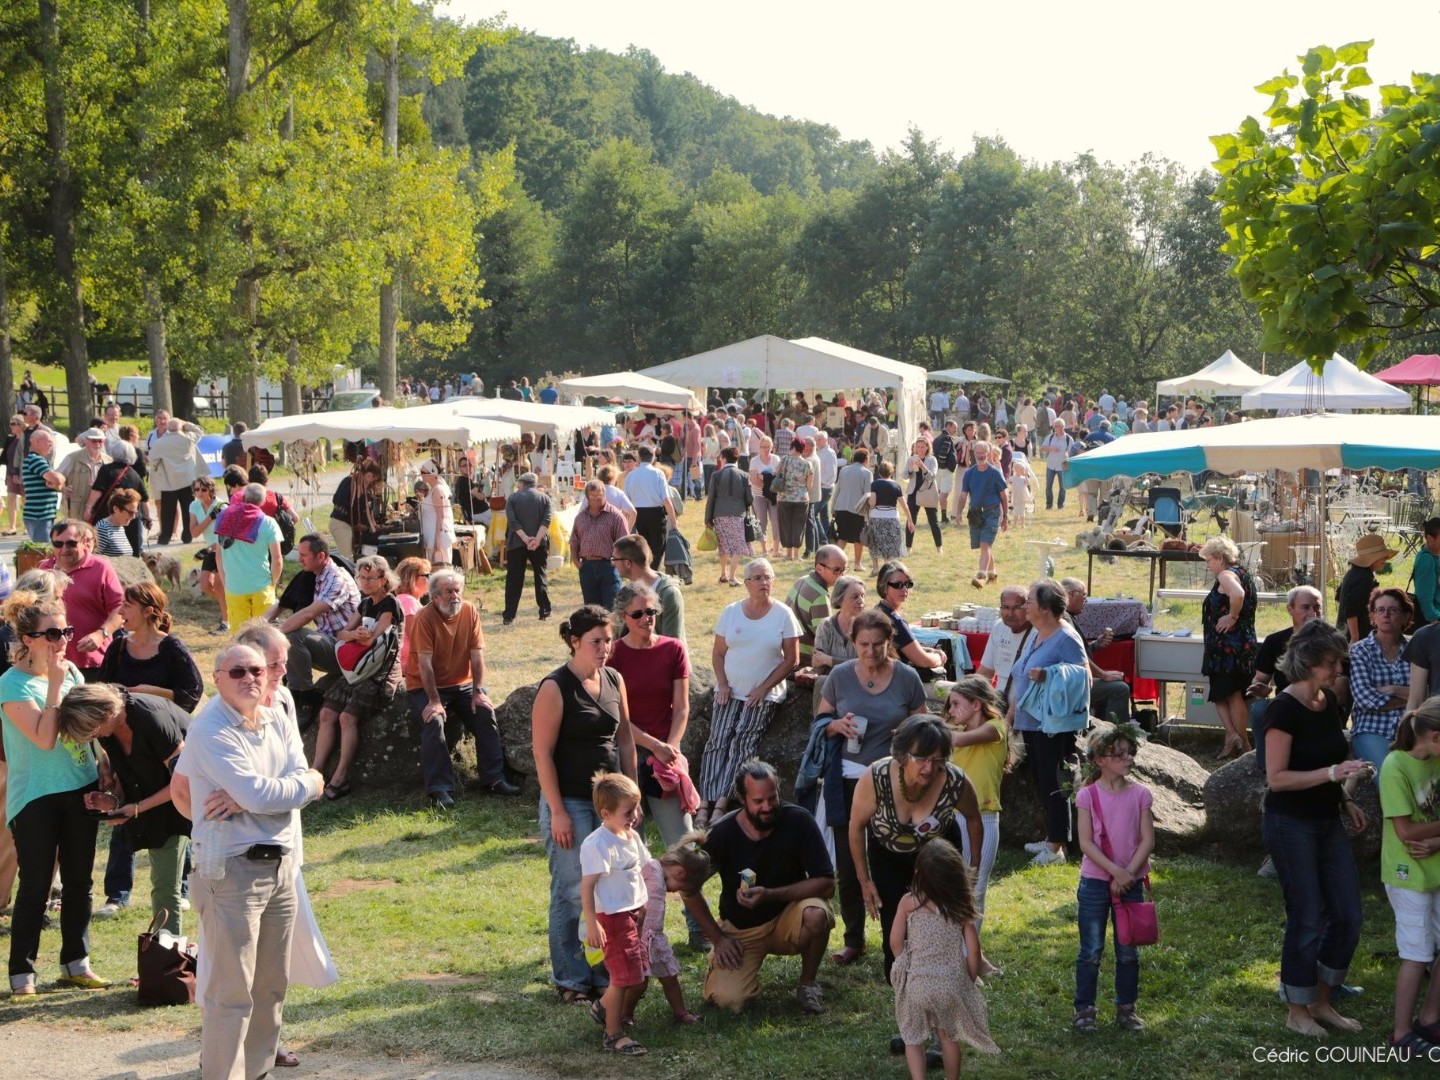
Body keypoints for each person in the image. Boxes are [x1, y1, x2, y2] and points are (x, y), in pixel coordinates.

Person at [172, 642, 324, 1079]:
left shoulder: (276, 715)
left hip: (280, 868)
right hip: (230, 873)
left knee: (271, 987)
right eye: (236, 671)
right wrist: (296, 786)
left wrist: (289, 786)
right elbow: (268, 790)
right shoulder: (211, 728)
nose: (249, 678)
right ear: (216, 678)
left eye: (257, 669)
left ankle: (258, 1072)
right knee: (230, 994)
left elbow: (295, 779)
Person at [1, 590, 110, 995]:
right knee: (36, 884)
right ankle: (22, 974)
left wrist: (104, 767)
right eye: (52, 634)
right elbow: (45, 740)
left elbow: (87, 732)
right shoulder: (11, 686)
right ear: (28, 639)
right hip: (35, 798)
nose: (61, 640)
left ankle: (75, 963)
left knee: (80, 881)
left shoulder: (72, 674)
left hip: (79, 788)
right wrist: (54, 687)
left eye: (65, 630)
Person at [1261, 619, 1367, 1037]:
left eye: (1338, 663)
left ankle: (1322, 1001)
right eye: (1329, 663)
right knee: (1306, 917)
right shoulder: (1282, 709)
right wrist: (1333, 773)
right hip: (1290, 824)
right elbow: (1278, 778)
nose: (1336, 671)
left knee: (1348, 915)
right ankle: (1297, 1010)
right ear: (1306, 662)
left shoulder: (1329, 701)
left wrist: (1346, 797)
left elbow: (1329, 766)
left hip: (1326, 820)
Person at [531, 605, 640, 1004]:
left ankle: (602, 973)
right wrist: (557, 811)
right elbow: (541, 753)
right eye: (596, 641)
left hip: (611, 805)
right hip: (572, 800)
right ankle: (571, 978)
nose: (604, 648)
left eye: (608, 639)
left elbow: (625, 739)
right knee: (573, 889)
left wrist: (633, 796)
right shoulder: (555, 687)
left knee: (608, 889)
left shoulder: (615, 678)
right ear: (574, 641)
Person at [817, 611, 930, 965]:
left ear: (889, 642)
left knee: (892, 857)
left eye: (877, 645)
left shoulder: (907, 677)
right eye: (863, 645)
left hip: (893, 779)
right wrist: (837, 726)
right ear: (853, 643)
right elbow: (820, 722)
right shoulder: (839, 676)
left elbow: (925, 723)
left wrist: (908, 733)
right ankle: (854, 938)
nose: (870, 652)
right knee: (850, 862)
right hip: (848, 777)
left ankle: (898, 938)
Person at [680, 760, 835, 1014]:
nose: (767, 807)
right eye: (758, 801)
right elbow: (688, 888)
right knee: (728, 1001)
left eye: (772, 798)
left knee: (816, 913)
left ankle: (808, 984)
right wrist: (718, 939)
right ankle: (730, 973)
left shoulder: (799, 820)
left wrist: (771, 895)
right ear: (742, 799)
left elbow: (827, 884)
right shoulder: (721, 833)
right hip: (741, 930)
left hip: (788, 917)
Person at [605, 582, 702, 946]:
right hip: (627, 756)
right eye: (638, 614)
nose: (647, 619)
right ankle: (634, 930)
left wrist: (671, 749)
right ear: (622, 617)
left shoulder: (673, 648)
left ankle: (697, 928)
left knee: (684, 847)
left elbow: (682, 707)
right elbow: (613, 715)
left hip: (664, 762)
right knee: (632, 849)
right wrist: (653, 745)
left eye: (651, 612)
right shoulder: (612, 655)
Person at [59, 684, 192, 934]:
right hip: (158, 797)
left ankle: (170, 960)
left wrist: (137, 809)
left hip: (190, 799)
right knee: (163, 882)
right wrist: (114, 801)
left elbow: (184, 780)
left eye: (91, 731)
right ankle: (167, 955)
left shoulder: (152, 718)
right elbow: (134, 771)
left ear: (107, 712)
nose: (91, 737)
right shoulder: (109, 727)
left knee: (166, 884)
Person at [403, 568, 518, 809]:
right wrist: (434, 701)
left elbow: (477, 656)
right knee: (434, 721)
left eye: (457, 590)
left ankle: (494, 779)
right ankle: (440, 789)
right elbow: (424, 665)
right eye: (448, 592)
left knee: (485, 712)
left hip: (462, 684)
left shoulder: (469, 610)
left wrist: (478, 691)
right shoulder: (424, 617)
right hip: (426, 685)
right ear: (435, 597)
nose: (455, 596)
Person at [698, 559, 800, 828]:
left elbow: (792, 660)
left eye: (768, 577)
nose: (764, 582)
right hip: (730, 689)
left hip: (764, 693)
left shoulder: (783, 614)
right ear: (746, 583)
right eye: (757, 578)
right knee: (717, 740)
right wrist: (721, 684)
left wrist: (764, 688)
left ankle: (722, 802)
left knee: (742, 742)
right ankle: (703, 803)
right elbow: (718, 653)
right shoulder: (731, 612)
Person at [890, 839, 1000, 1080]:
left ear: (918, 872)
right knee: (949, 1038)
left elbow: (895, 943)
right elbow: (973, 950)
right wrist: (967, 979)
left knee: (912, 1039)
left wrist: (905, 963)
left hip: (917, 984)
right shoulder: (959, 906)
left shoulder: (909, 903)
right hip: (950, 984)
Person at [1072, 724, 1154, 1033]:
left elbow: (1147, 840)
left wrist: (1128, 874)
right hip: (1095, 882)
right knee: (1090, 949)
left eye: (1129, 751)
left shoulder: (1141, 794)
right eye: (1117, 752)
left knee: (1128, 950)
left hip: (1130, 884)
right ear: (1099, 760)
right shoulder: (1087, 796)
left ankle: (1126, 1009)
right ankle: (1084, 1009)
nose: (1126, 756)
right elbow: (1086, 843)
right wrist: (1117, 872)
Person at [1010, 578, 1090, 866]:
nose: (1024, 605)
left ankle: (1057, 847)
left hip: (1054, 725)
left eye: (1029, 601)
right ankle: (1052, 838)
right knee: (1043, 781)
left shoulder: (1066, 637)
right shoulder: (1038, 633)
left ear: (1044, 608)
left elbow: (1083, 676)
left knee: (1055, 782)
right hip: (1033, 722)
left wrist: (1050, 675)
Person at [312, 555, 405, 800]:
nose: (364, 582)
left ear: (383, 579)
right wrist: (354, 634)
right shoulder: (364, 604)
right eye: (361, 578)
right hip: (358, 668)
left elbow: (375, 638)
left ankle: (341, 777)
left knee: (346, 717)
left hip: (381, 671)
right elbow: (341, 633)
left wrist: (359, 635)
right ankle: (315, 772)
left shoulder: (390, 604)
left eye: (370, 578)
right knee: (326, 713)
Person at [1378, 699, 1440, 1054]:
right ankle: (1401, 1033)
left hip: (1435, 865)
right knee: (1417, 953)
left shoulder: (1436, 756)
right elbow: (1406, 832)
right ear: (1434, 737)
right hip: (1407, 875)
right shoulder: (1394, 767)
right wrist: (1429, 838)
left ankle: (1429, 1018)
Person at [579, 772, 652, 1056]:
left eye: (636, 808)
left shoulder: (630, 835)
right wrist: (593, 923)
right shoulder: (597, 845)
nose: (635, 815)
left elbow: (639, 871)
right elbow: (587, 888)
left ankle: (602, 1008)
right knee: (622, 978)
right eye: (628, 811)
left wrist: (642, 904)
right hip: (610, 919)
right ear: (606, 813)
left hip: (630, 915)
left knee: (633, 975)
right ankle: (613, 1034)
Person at [944, 676, 1007, 974]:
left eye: (957, 703)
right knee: (952, 885)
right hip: (950, 817)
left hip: (983, 817)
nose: (951, 709)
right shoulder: (952, 730)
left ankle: (968, 957)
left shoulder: (996, 728)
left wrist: (928, 731)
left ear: (976, 704)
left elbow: (958, 739)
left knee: (975, 887)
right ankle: (962, 955)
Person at [275, 533, 361, 722]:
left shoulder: (336, 579)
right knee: (286, 636)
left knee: (292, 636)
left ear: (321, 556)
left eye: (304, 555)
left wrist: (274, 634)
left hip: (346, 649)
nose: (299, 559)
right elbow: (285, 602)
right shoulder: (316, 575)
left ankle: (306, 697)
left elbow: (308, 614)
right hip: (332, 643)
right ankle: (292, 693)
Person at [1246, 586, 1325, 775]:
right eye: (1305, 607)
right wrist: (1260, 689)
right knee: (1259, 709)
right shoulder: (1276, 641)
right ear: (1290, 609)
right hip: (1286, 703)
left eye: (1317, 607)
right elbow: (1260, 679)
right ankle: (1268, 770)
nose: (1312, 613)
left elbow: (1340, 680)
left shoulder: (1330, 640)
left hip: (1321, 701)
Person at [39, 520, 123, 680]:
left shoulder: (101, 567)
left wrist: (101, 634)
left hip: (91, 662)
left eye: (71, 543)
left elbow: (119, 607)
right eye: (58, 544)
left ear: (84, 542)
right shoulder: (44, 569)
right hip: (52, 660)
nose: (64, 549)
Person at [638, 836, 708, 1023]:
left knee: (670, 976)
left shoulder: (659, 875)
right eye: (680, 888)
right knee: (638, 983)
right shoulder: (652, 869)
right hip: (640, 937)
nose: (674, 892)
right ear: (679, 873)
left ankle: (680, 1012)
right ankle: (624, 1014)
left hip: (655, 939)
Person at [1200, 536, 1258, 759]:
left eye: (1209, 560)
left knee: (1232, 694)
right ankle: (1232, 737)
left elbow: (1238, 594)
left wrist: (1232, 616)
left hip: (1228, 646)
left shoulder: (1226, 574)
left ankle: (1243, 746)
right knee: (1223, 693)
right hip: (1236, 644)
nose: (1208, 564)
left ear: (1219, 558)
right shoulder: (1243, 573)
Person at [1348, 587, 1413, 775]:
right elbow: (1365, 698)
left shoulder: (1416, 647)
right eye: (1380, 610)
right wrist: (1412, 695)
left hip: (1411, 727)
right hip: (1372, 727)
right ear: (1373, 616)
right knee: (1390, 776)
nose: (1386, 615)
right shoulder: (1360, 650)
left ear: (1405, 616)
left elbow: (1430, 692)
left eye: (1393, 610)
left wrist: (1391, 689)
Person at [1060, 578, 1132, 724]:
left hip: (1074, 680)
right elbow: (1079, 659)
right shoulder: (1064, 619)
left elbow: (1077, 651)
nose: (1086, 601)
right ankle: (1117, 736)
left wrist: (1095, 645)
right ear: (1070, 594)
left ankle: (1099, 728)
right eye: (1084, 596)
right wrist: (1103, 674)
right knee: (1120, 688)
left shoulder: (1067, 617)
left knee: (1113, 684)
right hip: (1069, 684)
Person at [215, 482, 284, 624]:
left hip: (234, 586)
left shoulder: (225, 517)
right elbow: (277, 559)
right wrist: (273, 583)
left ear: (244, 497)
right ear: (263, 501)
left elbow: (219, 555)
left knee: (239, 635)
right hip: (261, 585)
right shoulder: (268, 522)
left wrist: (225, 581)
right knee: (264, 634)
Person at [874, 560, 947, 676]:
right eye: (898, 585)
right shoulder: (894, 621)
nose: (904, 589)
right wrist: (939, 658)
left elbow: (903, 647)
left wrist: (929, 650)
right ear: (884, 586)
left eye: (907, 584)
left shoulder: (878, 609)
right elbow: (922, 661)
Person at [611, 534, 686, 643]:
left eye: (614, 559)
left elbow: (672, 645)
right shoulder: (628, 591)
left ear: (627, 563)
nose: (612, 564)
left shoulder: (669, 594)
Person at [954, 441, 1008, 589]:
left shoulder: (995, 473)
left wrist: (1005, 517)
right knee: (985, 546)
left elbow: (1004, 496)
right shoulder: (969, 473)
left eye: (982, 453)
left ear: (988, 453)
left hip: (992, 512)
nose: (979, 456)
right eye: (977, 453)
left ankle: (981, 576)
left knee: (985, 544)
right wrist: (958, 512)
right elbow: (963, 495)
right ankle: (992, 574)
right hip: (976, 514)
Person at [502, 471, 552, 625]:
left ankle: (509, 615)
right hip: (539, 542)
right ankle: (544, 610)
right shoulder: (545, 498)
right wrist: (536, 539)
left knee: (514, 579)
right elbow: (547, 519)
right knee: (540, 575)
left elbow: (512, 520)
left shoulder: (513, 498)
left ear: (522, 484)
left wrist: (524, 538)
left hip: (517, 543)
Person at [785, 545, 848, 666]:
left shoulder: (801, 580)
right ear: (819, 568)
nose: (842, 575)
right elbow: (827, 642)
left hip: (788, 651)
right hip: (806, 660)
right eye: (837, 570)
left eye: (844, 569)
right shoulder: (820, 596)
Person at [570, 479, 628, 610]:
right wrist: (576, 562)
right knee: (591, 610)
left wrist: (616, 562)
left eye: (600, 494)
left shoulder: (615, 516)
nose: (597, 497)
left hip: (608, 566)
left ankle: (613, 631)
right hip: (587, 567)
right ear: (587, 497)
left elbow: (624, 542)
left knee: (612, 608)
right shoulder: (580, 518)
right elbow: (574, 541)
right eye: (593, 495)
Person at [150, 418, 205, 545]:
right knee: (188, 510)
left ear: (168, 429)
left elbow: (152, 459)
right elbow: (200, 431)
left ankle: (165, 537)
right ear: (180, 428)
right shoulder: (189, 438)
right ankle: (187, 535)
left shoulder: (161, 442)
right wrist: (187, 423)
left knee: (167, 512)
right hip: (187, 480)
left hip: (168, 482)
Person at [704, 444, 753, 587]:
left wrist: (708, 518)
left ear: (723, 458)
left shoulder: (716, 475)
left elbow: (710, 498)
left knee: (723, 546)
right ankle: (732, 577)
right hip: (738, 514)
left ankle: (723, 574)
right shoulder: (744, 475)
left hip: (719, 515)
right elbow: (750, 499)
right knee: (738, 547)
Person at [623, 446, 676, 571]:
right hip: (655, 513)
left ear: (639, 458)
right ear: (653, 458)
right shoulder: (658, 474)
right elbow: (666, 500)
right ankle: (652, 570)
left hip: (638, 513)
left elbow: (626, 501)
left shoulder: (631, 476)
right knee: (658, 546)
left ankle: (646, 569)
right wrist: (674, 520)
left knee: (643, 544)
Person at [1338, 533, 1397, 644]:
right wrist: (1355, 638)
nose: (1385, 559)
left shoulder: (1355, 572)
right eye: (1381, 556)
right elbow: (1350, 609)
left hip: (1347, 635)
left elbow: (1339, 597)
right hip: (1358, 639)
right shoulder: (1363, 577)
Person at [188, 475, 229, 633]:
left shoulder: (222, 506)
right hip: (210, 550)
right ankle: (228, 605)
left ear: (211, 490)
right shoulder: (194, 506)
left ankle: (226, 622)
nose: (199, 492)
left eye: (203, 489)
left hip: (222, 549)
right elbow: (194, 532)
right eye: (196, 489)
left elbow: (226, 536)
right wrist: (210, 517)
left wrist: (211, 548)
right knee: (205, 585)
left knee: (219, 584)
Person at [812, 575, 866, 674]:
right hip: (831, 682)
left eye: (863, 596)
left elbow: (865, 664)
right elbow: (818, 662)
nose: (861, 601)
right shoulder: (826, 626)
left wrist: (829, 660)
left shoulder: (867, 627)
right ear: (840, 599)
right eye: (855, 597)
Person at [55, 427, 111, 523]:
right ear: (86, 441)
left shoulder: (109, 461)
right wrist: (63, 489)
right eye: (94, 441)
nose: (97, 444)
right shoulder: (73, 458)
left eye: (100, 441)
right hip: (76, 508)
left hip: (100, 507)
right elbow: (56, 477)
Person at [773, 435, 813, 562]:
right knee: (799, 525)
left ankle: (788, 553)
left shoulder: (784, 459)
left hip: (784, 497)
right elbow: (809, 485)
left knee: (785, 525)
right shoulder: (808, 464)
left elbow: (776, 473)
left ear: (793, 447)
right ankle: (796, 554)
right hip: (801, 498)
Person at [831, 447, 872, 568]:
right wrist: (868, 514)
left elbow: (837, 489)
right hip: (857, 510)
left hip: (841, 507)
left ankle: (835, 563)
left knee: (842, 537)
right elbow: (867, 495)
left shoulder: (844, 470)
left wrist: (833, 508)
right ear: (865, 459)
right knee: (858, 539)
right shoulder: (867, 473)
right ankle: (857, 564)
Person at [865, 459, 911, 568]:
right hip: (892, 516)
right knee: (890, 543)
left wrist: (867, 499)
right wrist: (910, 520)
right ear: (892, 472)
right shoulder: (896, 486)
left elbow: (872, 503)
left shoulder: (875, 484)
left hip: (876, 516)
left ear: (879, 472)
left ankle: (875, 567)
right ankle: (887, 565)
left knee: (874, 541)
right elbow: (904, 505)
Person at [900, 436, 942, 556]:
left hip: (928, 492)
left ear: (927, 447)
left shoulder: (932, 460)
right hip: (913, 492)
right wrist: (910, 468)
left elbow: (932, 476)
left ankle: (939, 547)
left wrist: (923, 466)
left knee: (933, 521)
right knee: (911, 520)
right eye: (917, 447)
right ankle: (908, 547)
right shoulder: (911, 459)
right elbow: (904, 476)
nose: (920, 449)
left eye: (923, 447)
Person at [20, 427, 62, 542]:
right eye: (48, 442)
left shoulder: (40, 460)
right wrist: (58, 482)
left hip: (42, 514)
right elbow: (56, 479)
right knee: (43, 552)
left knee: (45, 549)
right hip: (39, 515)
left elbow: (57, 481)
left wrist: (57, 483)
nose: (51, 445)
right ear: (36, 442)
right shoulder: (35, 460)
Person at [417, 459, 456, 567]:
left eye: (424, 472)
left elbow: (441, 515)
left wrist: (437, 540)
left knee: (442, 570)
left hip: (439, 537)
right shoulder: (434, 488)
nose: (421, 475)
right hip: (433, 535)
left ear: (432, 473)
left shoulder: (438, 490)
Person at [748, 435, 781, 557]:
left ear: (772, 447)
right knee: (761, 521)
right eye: (763, 446)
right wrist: (769, 482)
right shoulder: (754, 461)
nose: (765, 449)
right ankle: (764, 548)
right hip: (758, 495)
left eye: (768, 446)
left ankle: (776, 549)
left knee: (776, 521)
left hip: (774, 495)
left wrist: (764, 479)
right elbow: (753, 479)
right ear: (759, 447)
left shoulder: (776, 459)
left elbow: (779, 477)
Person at [93, 488, 141, 556]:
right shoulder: (103, 529)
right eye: (131, 512)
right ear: (116, 509)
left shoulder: (120, 527)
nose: (133, 517)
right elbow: (94, 558)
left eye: (135, 513)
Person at [1039, 418, 1072, 511]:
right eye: (1054, 426)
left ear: (1063, 427)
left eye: (1057, 426)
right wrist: (1050, 448)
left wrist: (1067, 456)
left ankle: (1060, 505)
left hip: (1062, 466)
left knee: (1063, 487)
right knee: (1048, 486)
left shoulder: (1069, 439)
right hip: (1050, 465)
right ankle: (1049, 505)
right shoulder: (1050, 437)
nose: (1055, 428)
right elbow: (1042, 449)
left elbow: (1071, 453)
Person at [1412, 519, 1440, 627]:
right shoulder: (1427, 560)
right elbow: (1424, 597)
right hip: (1433, 621)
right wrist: (1435, 620)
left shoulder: (1435, 555)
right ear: (1429, 538)